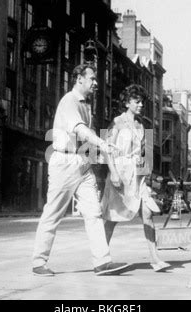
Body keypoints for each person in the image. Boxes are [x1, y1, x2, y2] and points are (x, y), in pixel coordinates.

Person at [32, 64, 129, 277]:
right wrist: (103, 145)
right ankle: (39, 262)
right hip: (64, 162)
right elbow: (80, 129)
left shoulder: (86, 105)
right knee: (53, 212)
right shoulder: (69, 101)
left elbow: (86, 136)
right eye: (92, 79)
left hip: (82, 162)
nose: (96, 83)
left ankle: (102, 262)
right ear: (79, 79)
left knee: (93, 212)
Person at [101, 84, 171, 272]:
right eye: (136, 101)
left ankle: (155, 258)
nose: (140, 105)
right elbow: (106, 149)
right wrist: (113, 172)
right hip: (120, 174)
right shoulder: (116, 122)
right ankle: (101, 258)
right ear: (127, 102)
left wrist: (147, 178)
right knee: (112, 218)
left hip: (138, 176)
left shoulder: (144, 125)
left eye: (142, 102)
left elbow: (145, 155)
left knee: (148, 214)